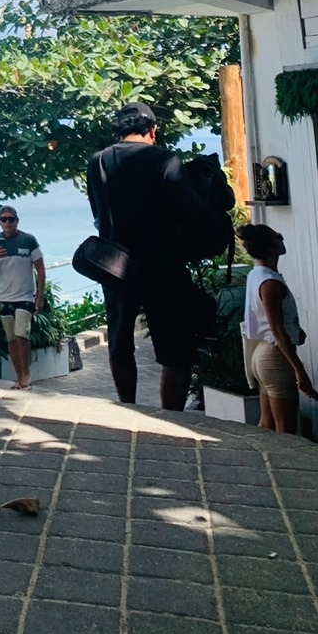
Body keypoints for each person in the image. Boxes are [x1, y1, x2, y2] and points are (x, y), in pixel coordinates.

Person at [86, 101, 204, 411]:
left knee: (119, 342)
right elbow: (192, 209)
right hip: (163, 264)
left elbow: (98, 213)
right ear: (153, 130)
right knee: (175, 350)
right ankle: (170, 416)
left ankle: (129, 408)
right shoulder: (165, 159)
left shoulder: (98, 161)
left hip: (115, 265)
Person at [238, 223, 318, 434]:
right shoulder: (271, 283)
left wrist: (295, 330)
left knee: (267, 425)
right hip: (275, 357)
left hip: (262, 354)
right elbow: (277, 329)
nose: (282, 239)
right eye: (278, 236)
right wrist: (300, 371)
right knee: (286, 430)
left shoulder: (256, 275)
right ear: (271, 247)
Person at [0, 208, 46, 389]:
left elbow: (41, 269)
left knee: (21, 334)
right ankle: (19, 377)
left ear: (17, 221)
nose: (8, 223)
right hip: (4, 297)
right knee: (11, 338)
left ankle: (26, 375)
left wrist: (40, 297)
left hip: (25, 296)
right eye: (4, 219)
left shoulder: (29, 240)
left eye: (11, 219)